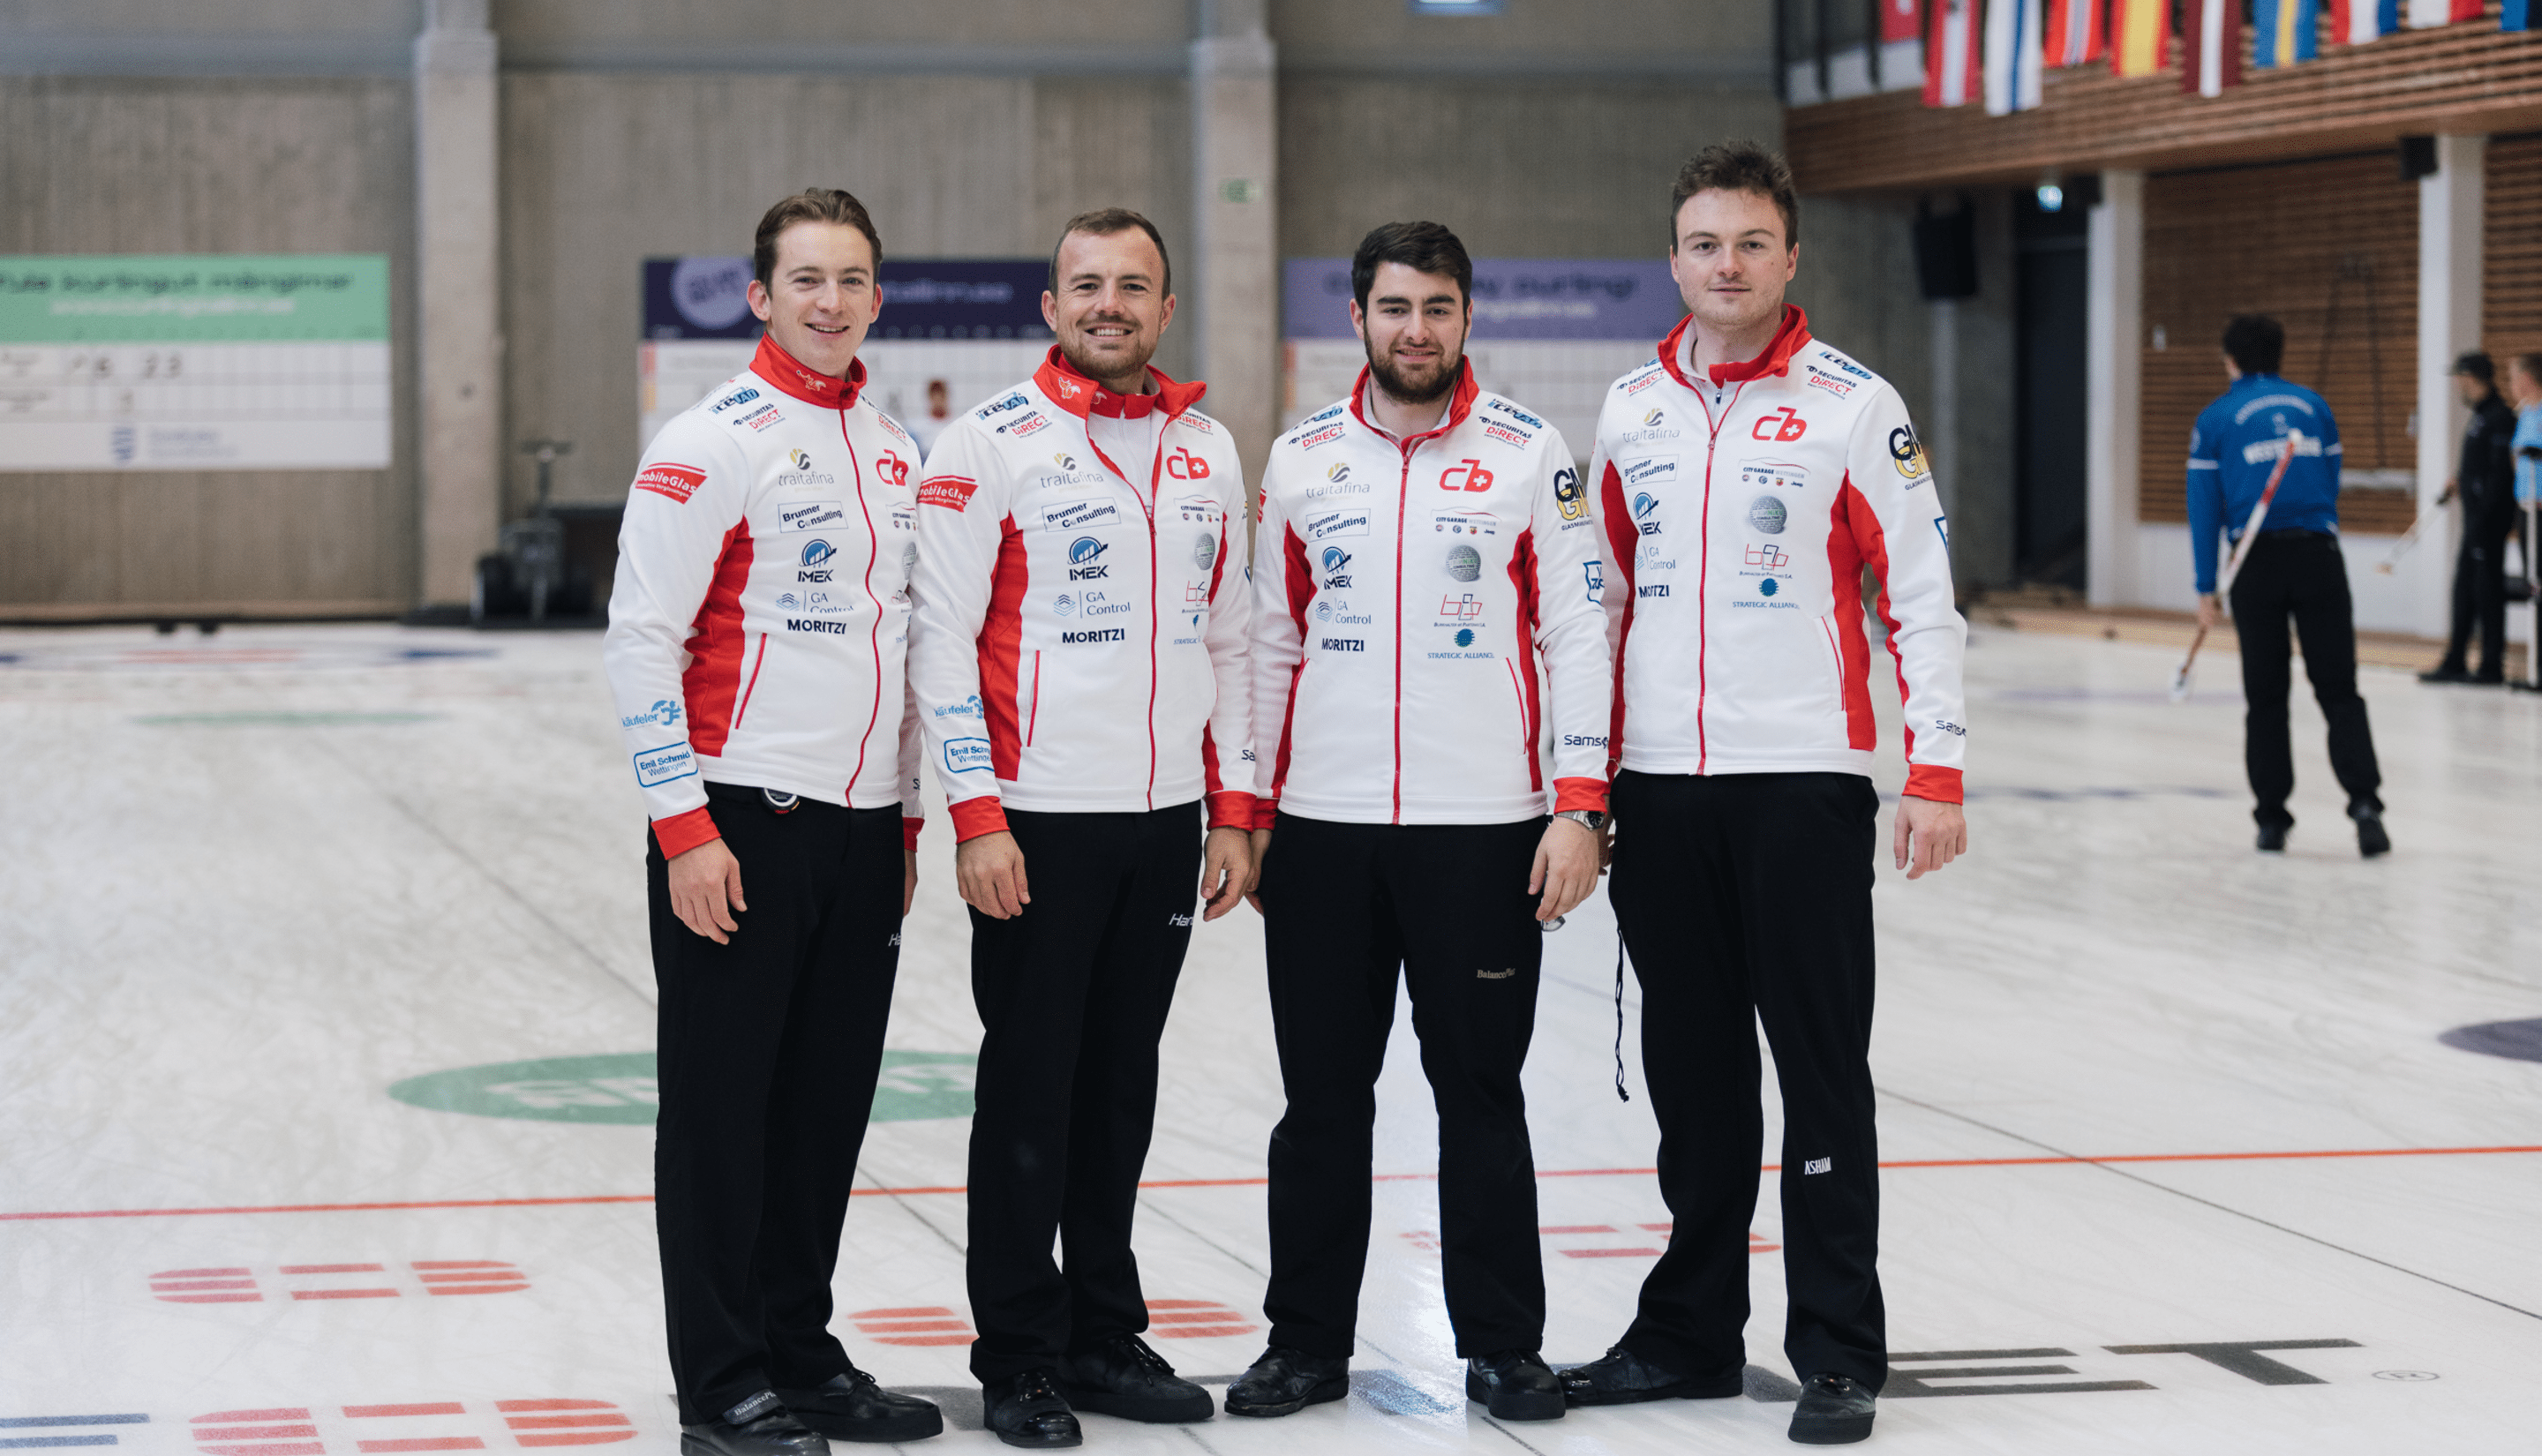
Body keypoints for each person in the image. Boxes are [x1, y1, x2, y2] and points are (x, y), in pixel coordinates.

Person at [1563, 142, 1967, 1449]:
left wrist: (1936, 770)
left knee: (1819, 1069)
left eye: (1749, 244)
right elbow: (1598, 607)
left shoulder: (1856, 405)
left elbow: (1919, 598)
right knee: (1692, 1072)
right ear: (1671, 259)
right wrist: (1584, 778)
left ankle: (1839, 1347)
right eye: (1701, 244)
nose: (1724, 266)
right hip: (1662, 792)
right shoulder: (1629, 409)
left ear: (1791, 258)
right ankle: (1687, 1331)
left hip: (1801, 784)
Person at [1222, 221, 1611, 1426]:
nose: (1417, 329)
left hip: (1483, 831)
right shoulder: (1299, 463)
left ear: (1466, 317)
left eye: (1438, 307)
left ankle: (1501, 1344)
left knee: (1481, 1092)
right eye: (1396, 307)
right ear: (1358, 317)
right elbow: (1266, 645)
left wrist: (1581, 803)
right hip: (1326, 835)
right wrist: (1249, 812)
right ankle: (1304, 1345)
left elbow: (1578, 636)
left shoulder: (1528, 454)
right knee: (1321, 1099)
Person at [906, 208, 1255, 1449]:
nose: (1109, 304)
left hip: (1163, 822)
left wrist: (1234, 808)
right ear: (1052, 308)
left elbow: (1228, 640)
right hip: (1036, 826)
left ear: (1167, 311)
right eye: (1086, 285)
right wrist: (976, 814)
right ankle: (1018, 1353)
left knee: (1120, 1087)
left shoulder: (1208, 448)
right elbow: (938, 640)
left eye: (1134, 286)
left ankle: (1104, 1328)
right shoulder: (989, 444)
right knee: (1030, 1090)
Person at [601, 188, 942, 1456]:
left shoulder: (899, 453)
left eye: (853, 278)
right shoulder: (712, 440)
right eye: (808, 279)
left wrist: (905, 828)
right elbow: (640, 643)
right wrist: (684, 829)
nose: (832, 300)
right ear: (761, 296)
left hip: (863, 835)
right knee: (722, 1112)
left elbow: (904, 651)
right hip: (741, 819)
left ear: (875, 294)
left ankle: (800, 1349)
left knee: (824, 1107)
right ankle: (723, 1381)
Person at [2189, 314, 2388, 856]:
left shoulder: (2215, 419)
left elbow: (2204, 509)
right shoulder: (2314, 408)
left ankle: (2272, 818)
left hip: (2255, 564)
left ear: (2229, 359)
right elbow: (2330, 479)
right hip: (2319, 556)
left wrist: (2207, 587)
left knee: (2266, 693)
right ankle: (2366, 804)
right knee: (2339, 687)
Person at [2420, 352, 2519, 685]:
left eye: (2460, 380)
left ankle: (2491, 665)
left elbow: (2500, 475)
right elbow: (2479, 468)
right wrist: (2460, 479)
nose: (2458, 388)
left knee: (2487, 591)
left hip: (2488, 521)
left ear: (2472, 378)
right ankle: (2455, 660)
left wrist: (2484, 515)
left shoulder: (2500, 417)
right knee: (2465, 588)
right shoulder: (2480, 416)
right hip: (2475, 517)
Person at [2511, 353, 2542, 694]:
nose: (2512, 384)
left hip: (2541, 508)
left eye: (2514, 376)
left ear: (2528, 378)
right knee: (2532, 583)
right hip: (2525, 507)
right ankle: (2535, 667)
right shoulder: (2525, 412)